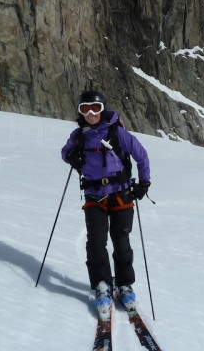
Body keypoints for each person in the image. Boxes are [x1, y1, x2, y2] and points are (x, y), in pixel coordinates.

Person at [61, 89, 151, 320]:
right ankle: (102, 284)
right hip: (94, 195)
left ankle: (124, 285)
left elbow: (141, 156)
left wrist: (144, 183)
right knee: (96, 242)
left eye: (95, 108)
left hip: (121, 194)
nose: (90, 113)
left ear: (103, 109)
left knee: (121, 240)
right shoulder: (79, 135)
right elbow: (65, 152)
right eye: (85, 109)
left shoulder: (117, 133)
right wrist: (71, 157)